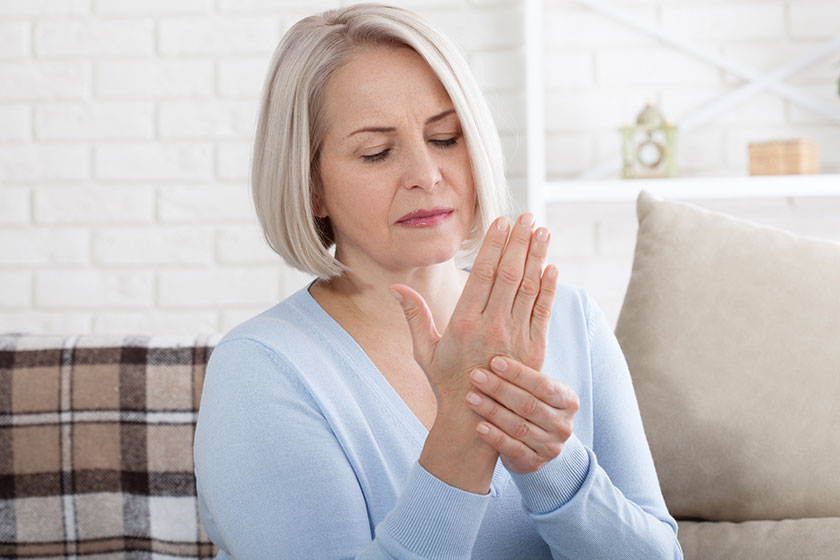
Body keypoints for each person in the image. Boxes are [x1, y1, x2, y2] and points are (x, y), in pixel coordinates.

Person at [193, 4, 682, 559]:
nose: (426, 176)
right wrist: (464, 432)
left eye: (446, 138)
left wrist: (551, 462)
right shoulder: (261, 370)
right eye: (376, 152)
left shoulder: (575, 322)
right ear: (312, 188)